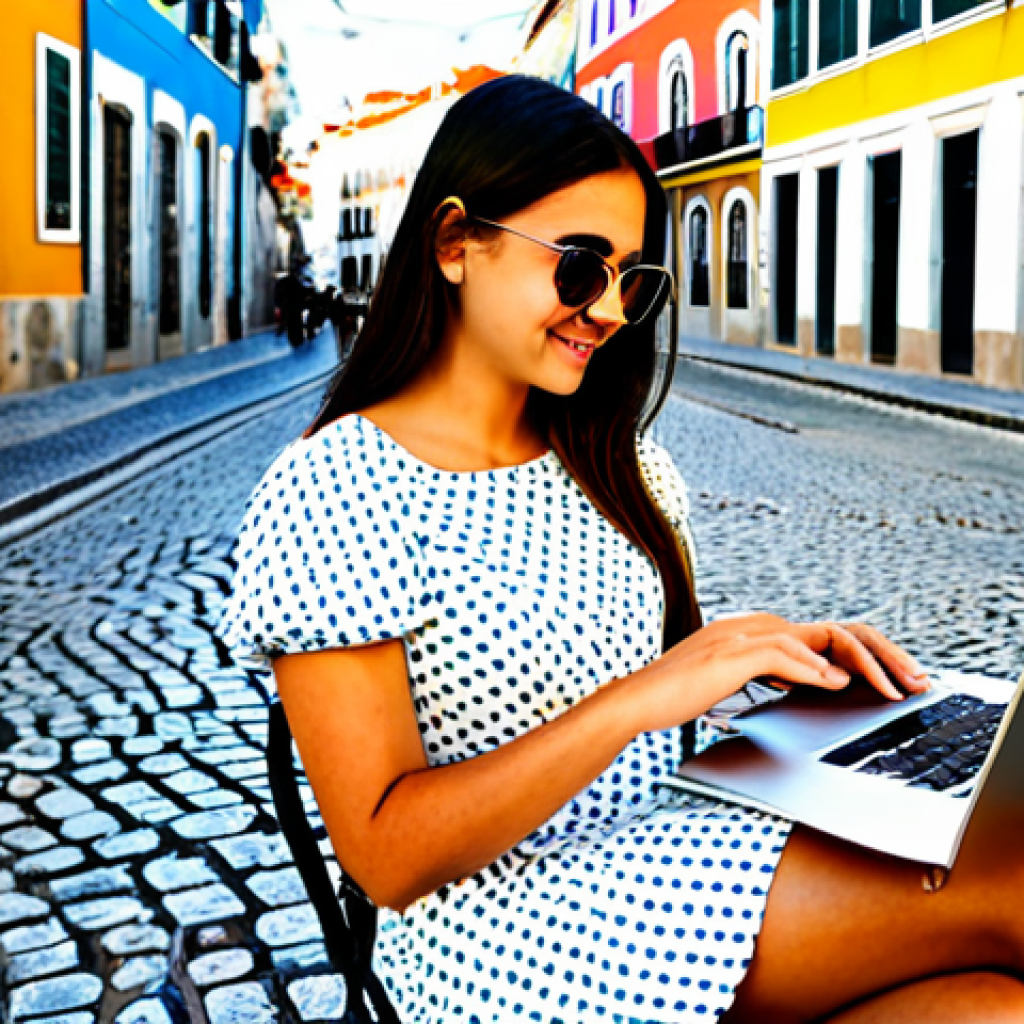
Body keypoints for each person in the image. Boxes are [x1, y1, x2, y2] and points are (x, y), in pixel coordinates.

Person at [217, 77, 1024, 1023]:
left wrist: (773, 676)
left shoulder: (617, 460)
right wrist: (640, 700)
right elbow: (387, 856)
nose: (605, 308)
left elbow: (655, 681)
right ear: (453, 244)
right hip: (493, 932)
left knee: (989, 1005)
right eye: (577, 265)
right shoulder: (336, 488)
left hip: (670, 845)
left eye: (631, 279)